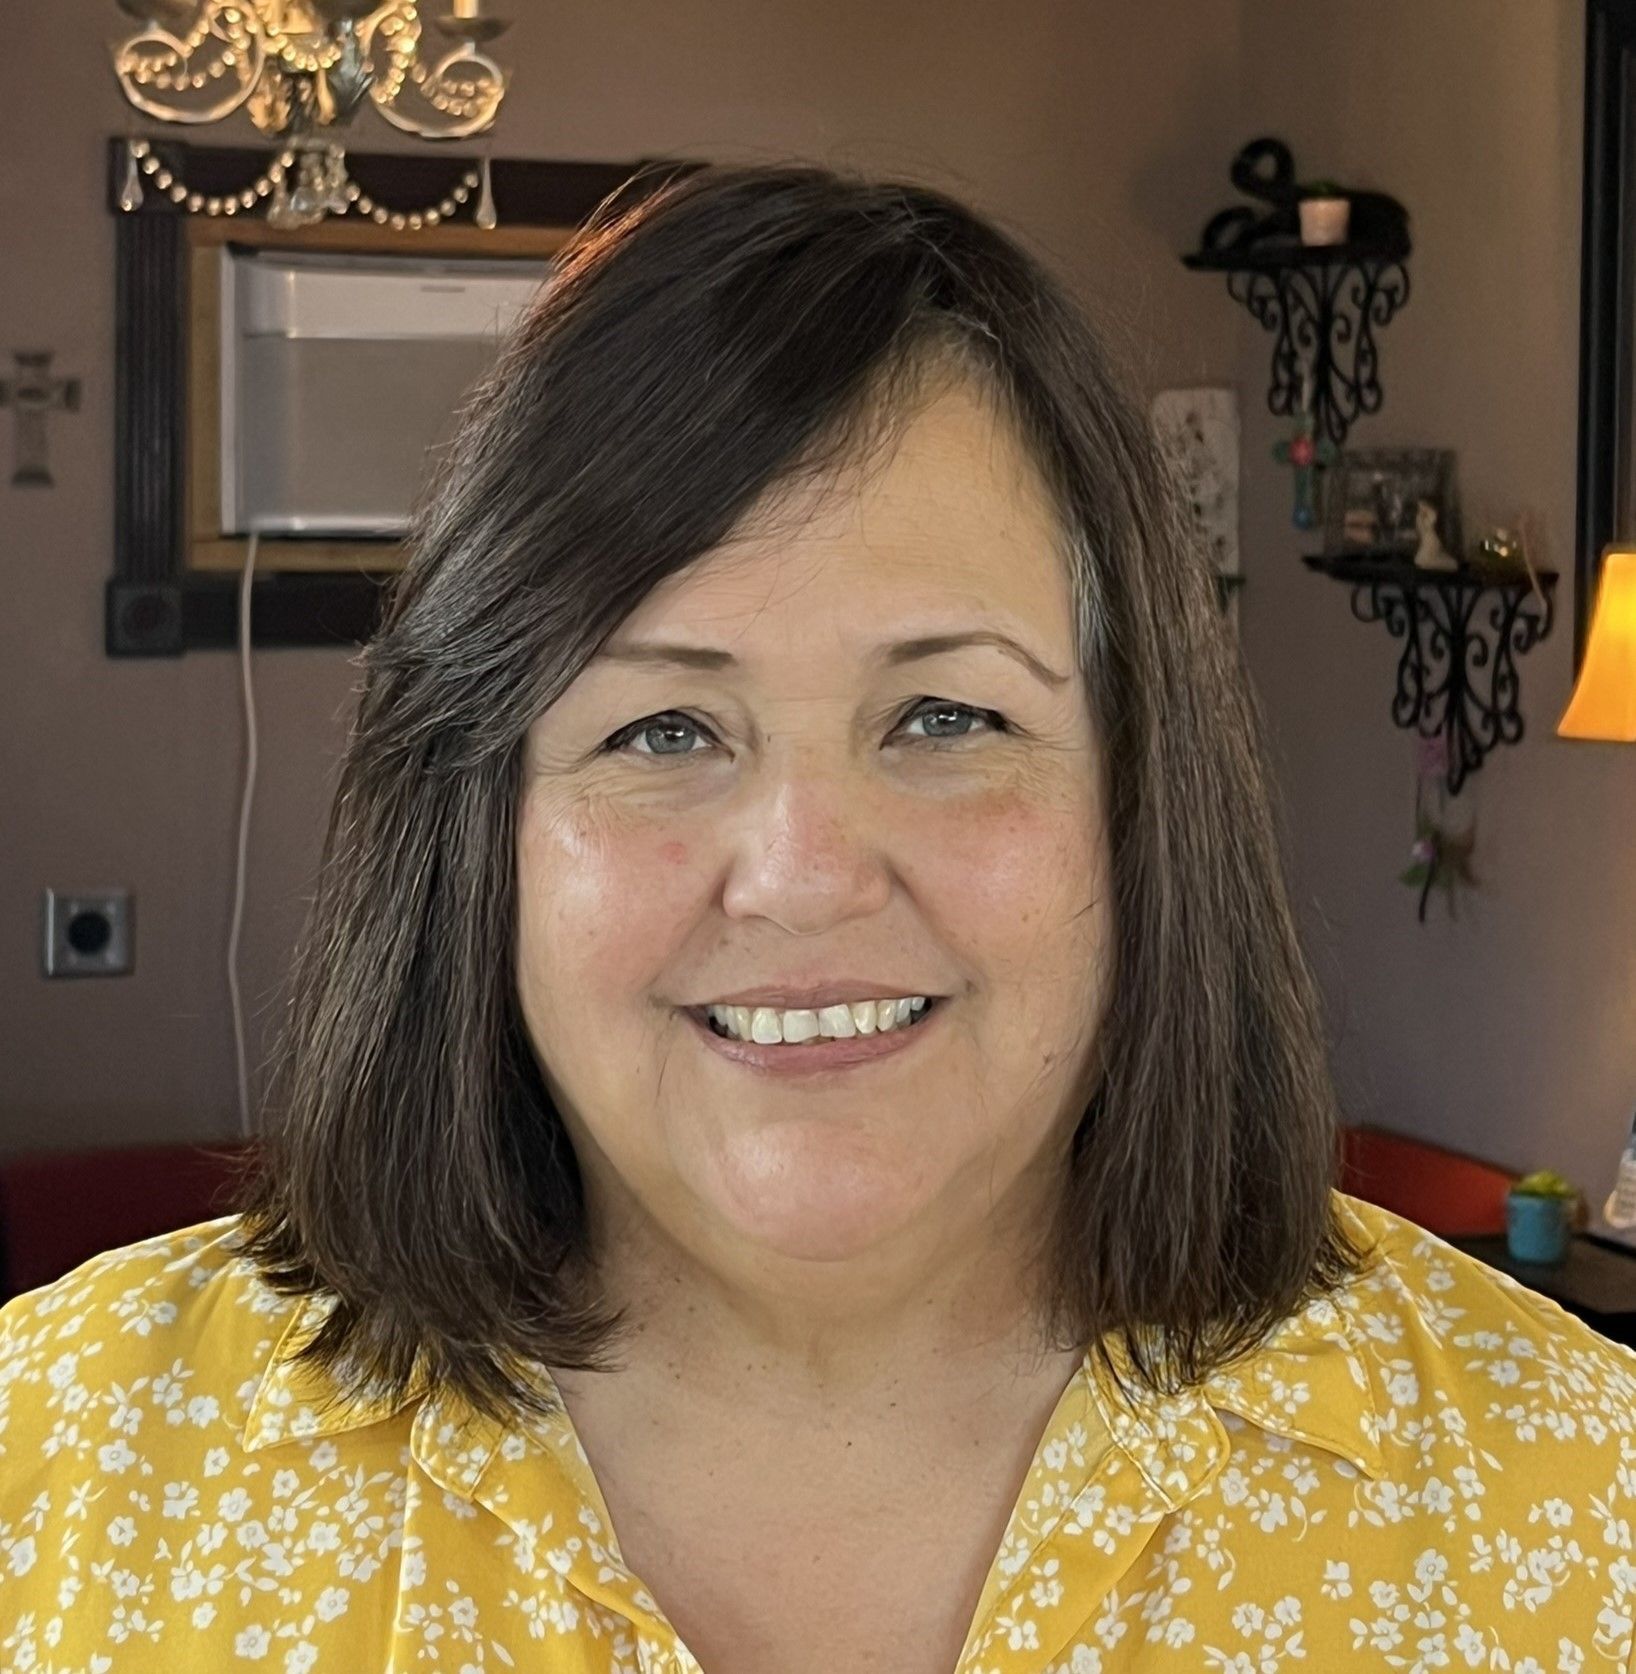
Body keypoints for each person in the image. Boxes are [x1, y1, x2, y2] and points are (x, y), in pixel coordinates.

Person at [2, 161, 1633, 1674]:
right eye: (661, 731)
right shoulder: (61, 1469)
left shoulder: (1577, 1496)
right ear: (479, 827)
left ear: (1142, 796)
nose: (801, 868)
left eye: (945, 715)